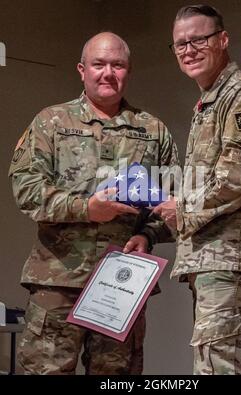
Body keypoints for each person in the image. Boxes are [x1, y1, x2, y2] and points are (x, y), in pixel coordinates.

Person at [9, 32, 178, 375]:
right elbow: (26, 189)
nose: (108, 72)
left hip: (123, 282)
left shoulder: (153, 131)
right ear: (81, 70)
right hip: (58, 282)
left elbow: (175, 201)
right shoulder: (51, 122)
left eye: (118, 65)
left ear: (128, 71)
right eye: (99, 64)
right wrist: (86, 208)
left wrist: (147, 235)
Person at [153, 5, 241, 375]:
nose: (188, 49)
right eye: (180, 43)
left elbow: (237, 180)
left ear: (223, 40)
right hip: (217, 261)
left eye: (199, 39)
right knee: (218, 366)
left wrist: (179, 207)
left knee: (223, 367)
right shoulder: (210, 101)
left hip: (234, 260)